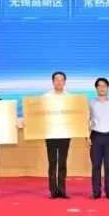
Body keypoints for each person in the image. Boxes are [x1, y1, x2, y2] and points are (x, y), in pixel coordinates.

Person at [87, 77, 109, 200]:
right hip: (95, 136)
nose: (102, 88)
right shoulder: (90, 103)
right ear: (96, 88)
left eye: (104, 86)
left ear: (108, 88)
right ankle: (96, 192)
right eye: (99, 86)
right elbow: (86, 120)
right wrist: (86, 136)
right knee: (96, 166)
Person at [45, 71, 72, 199]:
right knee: (52, 164)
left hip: (65, 134)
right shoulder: (45, 97)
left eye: (62, 80)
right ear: (53, 82)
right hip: (50, 134)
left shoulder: (70, 98)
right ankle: (53, 191)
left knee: (62, 163)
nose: (59, 82)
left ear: (65, 82)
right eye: (57, 80)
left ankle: (62, 190)